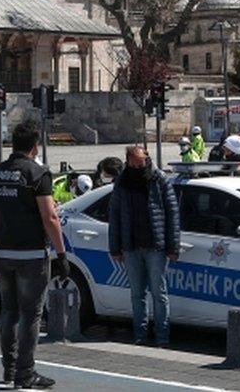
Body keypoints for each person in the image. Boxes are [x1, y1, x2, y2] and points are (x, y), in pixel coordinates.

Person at [0, 120, 68, 389]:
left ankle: (9, 368)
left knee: (8, 311)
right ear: (35, 146)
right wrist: (62, 253)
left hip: (2, 253)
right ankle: (26, 372)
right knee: (31, 314)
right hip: (31, 255)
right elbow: (50, 217)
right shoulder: (38, 174)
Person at [107, 146, 180, 346]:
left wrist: (173, 247)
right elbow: (114, 215)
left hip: (156, 247)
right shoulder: (123, 182)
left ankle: (162, 337)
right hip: (131, 247)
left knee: (159, 293)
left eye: (143, 162)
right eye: (136, 163)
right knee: (137, 294)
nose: (140, 166)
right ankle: (140, 335)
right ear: (128, 162)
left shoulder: (159, 179)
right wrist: (115, 247)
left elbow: (172, 213)